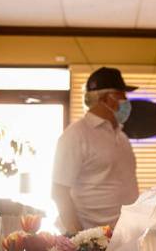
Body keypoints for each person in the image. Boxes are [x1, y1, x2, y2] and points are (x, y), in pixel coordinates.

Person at [52, 67, 139, 234]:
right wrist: (79, 239)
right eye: (122, 96)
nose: (127, 102)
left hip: (124, 237)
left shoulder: (121, 137)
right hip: (91, 239)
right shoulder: (76, 135)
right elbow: (59, 191)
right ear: (107, 98)